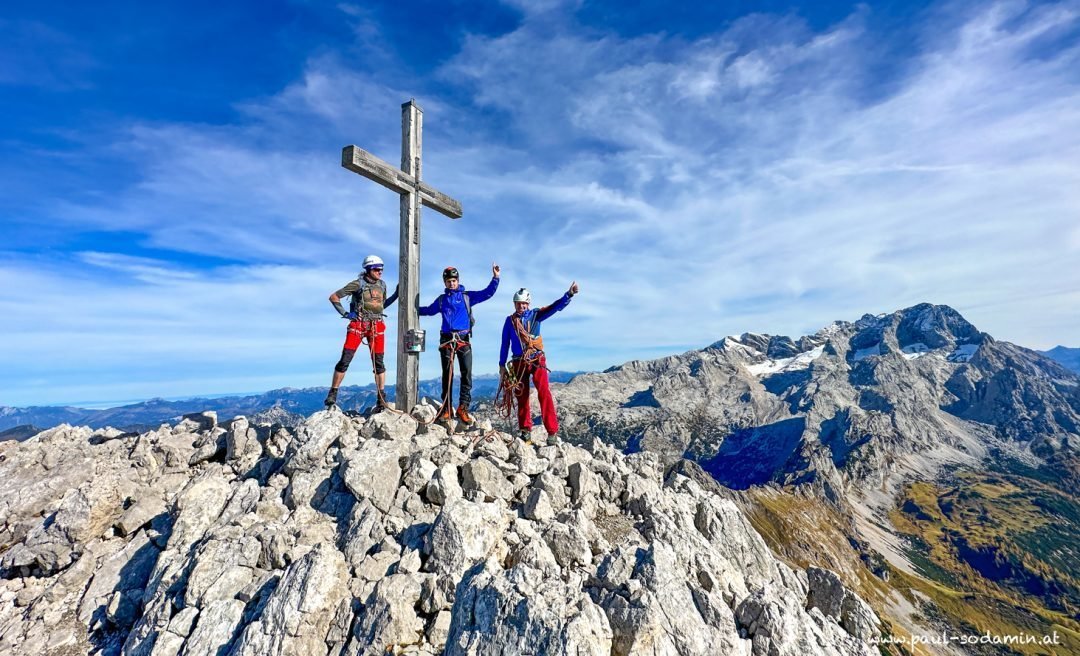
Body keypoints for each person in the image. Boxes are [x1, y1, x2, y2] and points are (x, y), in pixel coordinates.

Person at [498, 281, 579, 445]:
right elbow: (505, 342)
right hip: (518, 361)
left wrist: (568, 295)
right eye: (518, 303)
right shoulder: (510, 321)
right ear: (514, 304)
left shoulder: (536, 315)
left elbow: (554, 308)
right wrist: (501, 364)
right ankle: (525, 431)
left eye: (523, 303)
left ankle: (552, 432)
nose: (521, 306)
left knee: (544, 392)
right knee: (521, 395)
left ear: (528, 304)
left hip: (536, 358)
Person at [419, 263, 501, 424]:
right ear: (445, 283)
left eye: (454, 280)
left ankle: (463, 408)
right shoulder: (442, 300)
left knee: (466, 375)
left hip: (463, 339)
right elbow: (429, 310)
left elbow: (487, 293)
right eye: (449, 281)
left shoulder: (467, 297)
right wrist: (411, 307)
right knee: (447, 375)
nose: (452, 283)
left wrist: (496, 278)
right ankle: (446, 408)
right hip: (447, 339)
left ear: (458, 280)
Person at [324, 255, 398, 409]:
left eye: (381, 269)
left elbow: (382, 305)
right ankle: (333, 393)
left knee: (379, 362)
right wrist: (346, 314)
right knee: (345, 359)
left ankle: (381, 397)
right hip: (358, 325)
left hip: (376, 325)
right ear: (369, 269)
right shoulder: (357, 284)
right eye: (377, 269)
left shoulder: (382, 285)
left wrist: (396, 295)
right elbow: (334, 297)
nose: (380, 272)